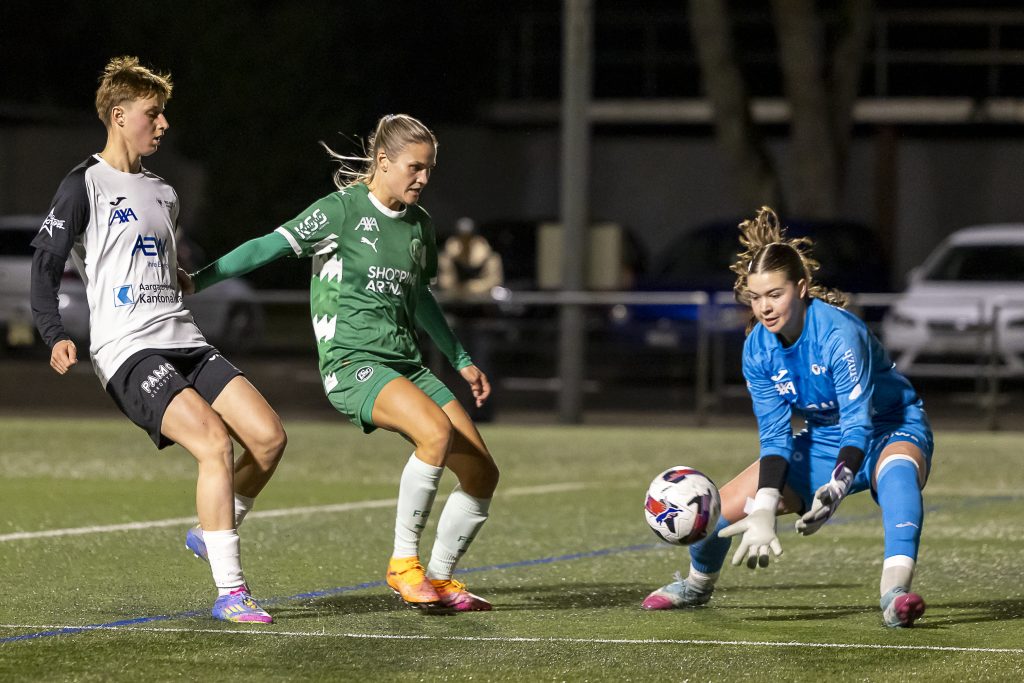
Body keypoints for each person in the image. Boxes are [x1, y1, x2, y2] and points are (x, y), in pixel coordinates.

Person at [187, 113, 500, 613]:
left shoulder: (419, 225)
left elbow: (419, 297)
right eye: (415, 167)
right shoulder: (341, 210)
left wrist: (459, 357)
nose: (423, 178)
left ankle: (439, 581)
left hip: (407, 365)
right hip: (353, 362)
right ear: (383, 161)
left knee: (482, 475)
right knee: (435, 434)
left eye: (429, 169)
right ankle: (404, 565)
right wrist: (198, 280)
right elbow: (267, 247)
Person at [30, 56, 286, 624]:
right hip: (127, 348)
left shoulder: (165, 192)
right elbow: (45, 266)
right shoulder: (83, 184)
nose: (163, 124)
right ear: (119, 116)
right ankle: (231, 592)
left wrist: (181, 278)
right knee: (214, 442)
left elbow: (157, 265)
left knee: (268, 438)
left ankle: (209, 529)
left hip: (184, 337)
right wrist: (53, 333)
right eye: (154, 113)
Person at [642, 206, 933, 628]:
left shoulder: (839, 334)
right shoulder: (757, 349)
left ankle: (895, 595)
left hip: (891, 425)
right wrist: (763, 506)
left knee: (898, 477)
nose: (764, 307)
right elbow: (776, 436)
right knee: (721, 508)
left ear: (801, 288)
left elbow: (858, 424)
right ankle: (696, 585)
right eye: (756, 297)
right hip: (824, 438)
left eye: (774, 294)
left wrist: (837, 485)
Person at [437, 217, 504, 296]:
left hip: (483, 298)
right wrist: (461, 288)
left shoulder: (487, 254)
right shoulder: (448, 255)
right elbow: (445, 283)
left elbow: (494, 281)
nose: (465, 241)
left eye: (468, 237)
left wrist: (474, 287)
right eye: (462, 237)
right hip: (456, 298)